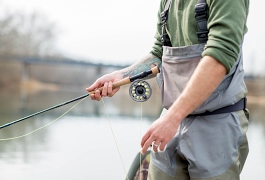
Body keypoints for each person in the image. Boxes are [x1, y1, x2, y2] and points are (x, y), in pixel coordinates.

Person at [86, 0, 250, 179]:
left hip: (217, 125)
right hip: (170, 124)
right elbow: (159, 53)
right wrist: (122, 75)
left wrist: (173, 117)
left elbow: (220, 55)